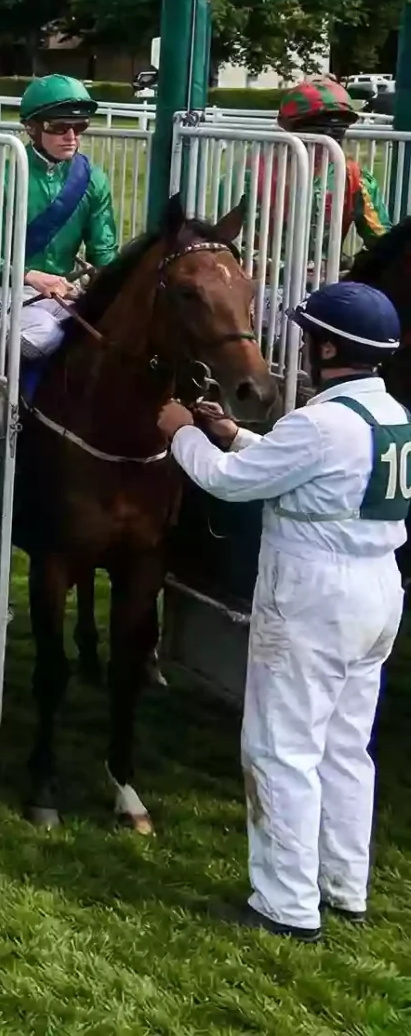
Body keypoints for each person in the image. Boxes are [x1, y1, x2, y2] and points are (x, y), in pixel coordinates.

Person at [160, 280, 407, 943]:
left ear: (328, 347)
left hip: (313, 596)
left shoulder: (318, 423)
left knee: (280, 747)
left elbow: (231, 483)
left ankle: (285, 904)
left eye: (308, 338)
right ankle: (343, 887)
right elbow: (289, 465)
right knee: (347, 746)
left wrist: (184, 434)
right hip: (377, 592)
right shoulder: (391, 415)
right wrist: (233, 431)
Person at [12, 75, 120, 362]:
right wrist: (31, 276)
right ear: (32, 128)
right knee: (45, 333)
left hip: (63, 292)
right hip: (3, 290)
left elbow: (104, 254)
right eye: (59, 127)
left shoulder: (93, 180)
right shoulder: (2, 180)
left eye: (79, 126)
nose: (71, 137)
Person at [276, 77, 386, 251]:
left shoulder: (355, 177)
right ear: (287, 126)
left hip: (328, 275)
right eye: (319, 126)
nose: (331, 135)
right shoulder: (253, 173)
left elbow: (381, 239)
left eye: (339, 128)